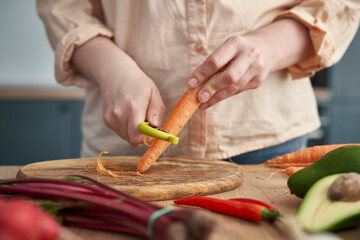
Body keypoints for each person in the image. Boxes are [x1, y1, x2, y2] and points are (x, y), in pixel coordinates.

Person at [37, 0, 360, 164]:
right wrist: (112, 71)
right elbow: (62, 8)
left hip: (266, 137)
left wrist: (270, 46)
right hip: (121, 141)